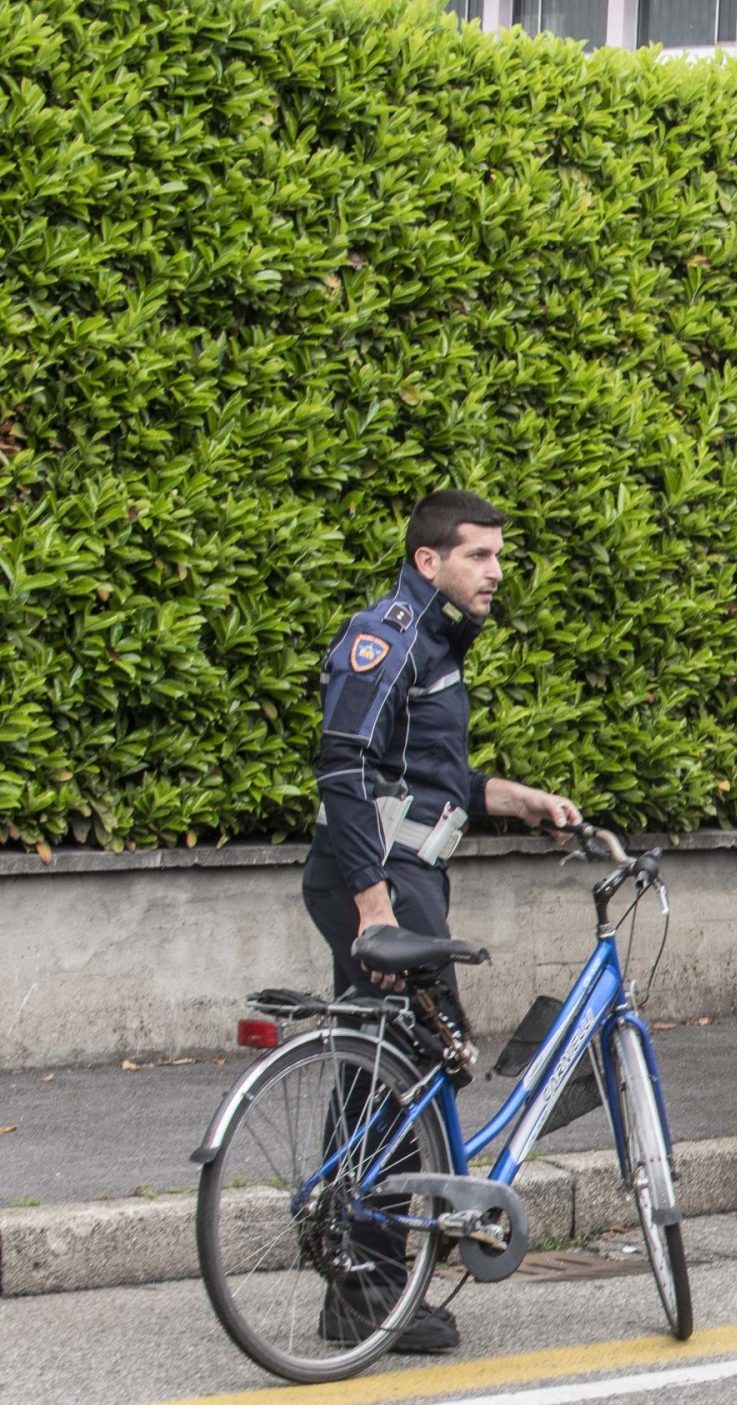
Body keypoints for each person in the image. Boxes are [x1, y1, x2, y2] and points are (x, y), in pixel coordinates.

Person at [303, 489, 581, 1354]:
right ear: (431, 561)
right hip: (381, 879)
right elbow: (342, 767)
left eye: (498, 556)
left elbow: (427, 777)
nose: (496, 572)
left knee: (395, 1070)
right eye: (479, 557)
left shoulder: (434, 643)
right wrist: (373, 902)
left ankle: (361, 1268)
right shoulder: (385, 637)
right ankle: (369, 1285)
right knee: (421, 1063)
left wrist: (515, 798)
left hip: (408, 873)